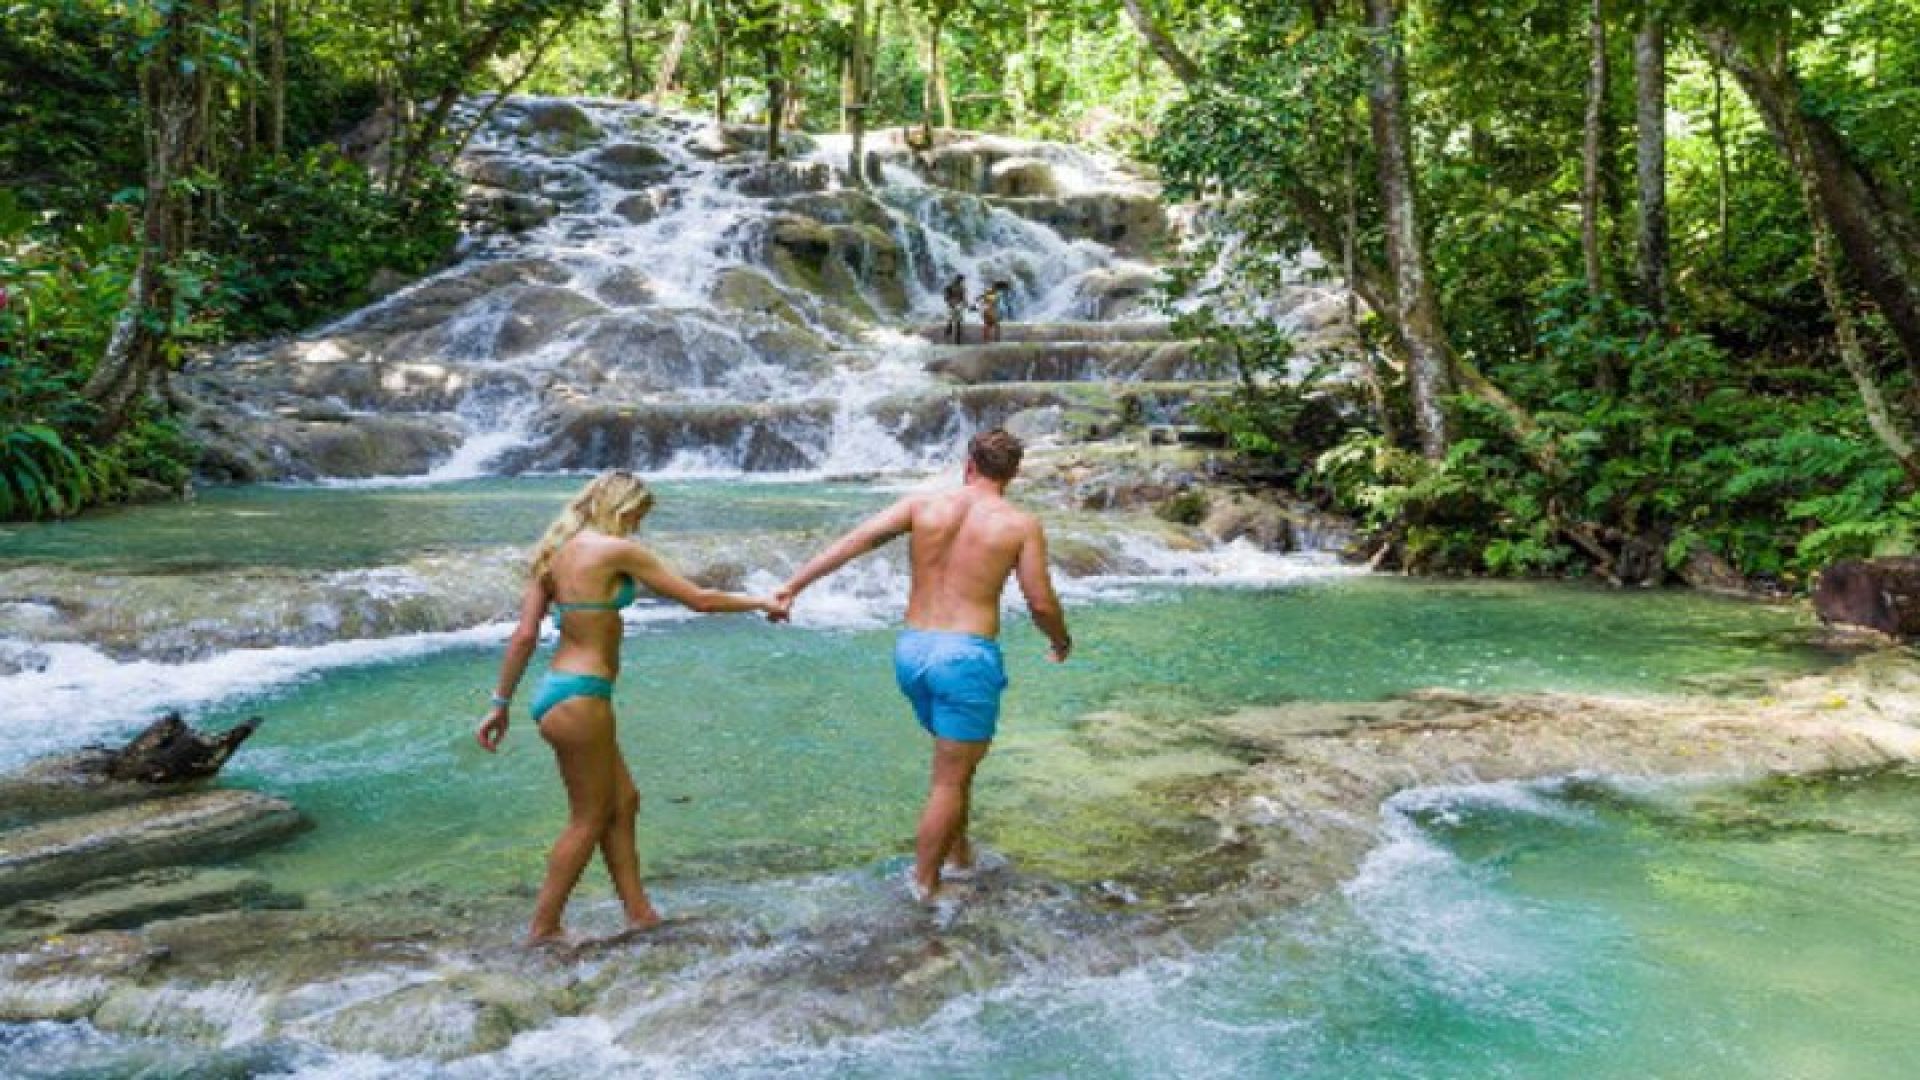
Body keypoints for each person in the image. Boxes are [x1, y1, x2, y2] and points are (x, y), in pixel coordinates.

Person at [476, 470, 788, 945]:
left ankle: (640, 913)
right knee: (588, 817)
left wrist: (500, 704)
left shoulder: (554, 553)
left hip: (557, 692)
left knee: (623, 802)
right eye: (638, 515)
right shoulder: (615, 550)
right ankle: (543, 929)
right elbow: (699, 600)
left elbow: (523, 636)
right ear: (621, 508)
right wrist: (762, 602)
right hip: (583, 696)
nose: (639, 525)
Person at [776, 429, 1071, 902]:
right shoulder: (1019, 524)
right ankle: (926, 887)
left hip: (913, 651)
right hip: (965, 657)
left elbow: (856, 541)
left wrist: (792, 587)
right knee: (950, 778)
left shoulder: (922, 506)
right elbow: (1039, 601)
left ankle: (960, 859)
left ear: (968, 464)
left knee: (958, 765)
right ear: (1013, 474)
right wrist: (1059, 639)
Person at [942, 274, 970, 343]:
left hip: (957, 306)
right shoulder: (950, 287)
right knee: (953, 321)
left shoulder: (961, 288)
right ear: (959, 280)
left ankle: (955, 337)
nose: (963, 282)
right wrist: (952, 303)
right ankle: (951, 335)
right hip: (952, 306)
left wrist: (965, 303)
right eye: (962, 280)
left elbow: (963, 298)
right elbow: (946, 297)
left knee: (956, 322)